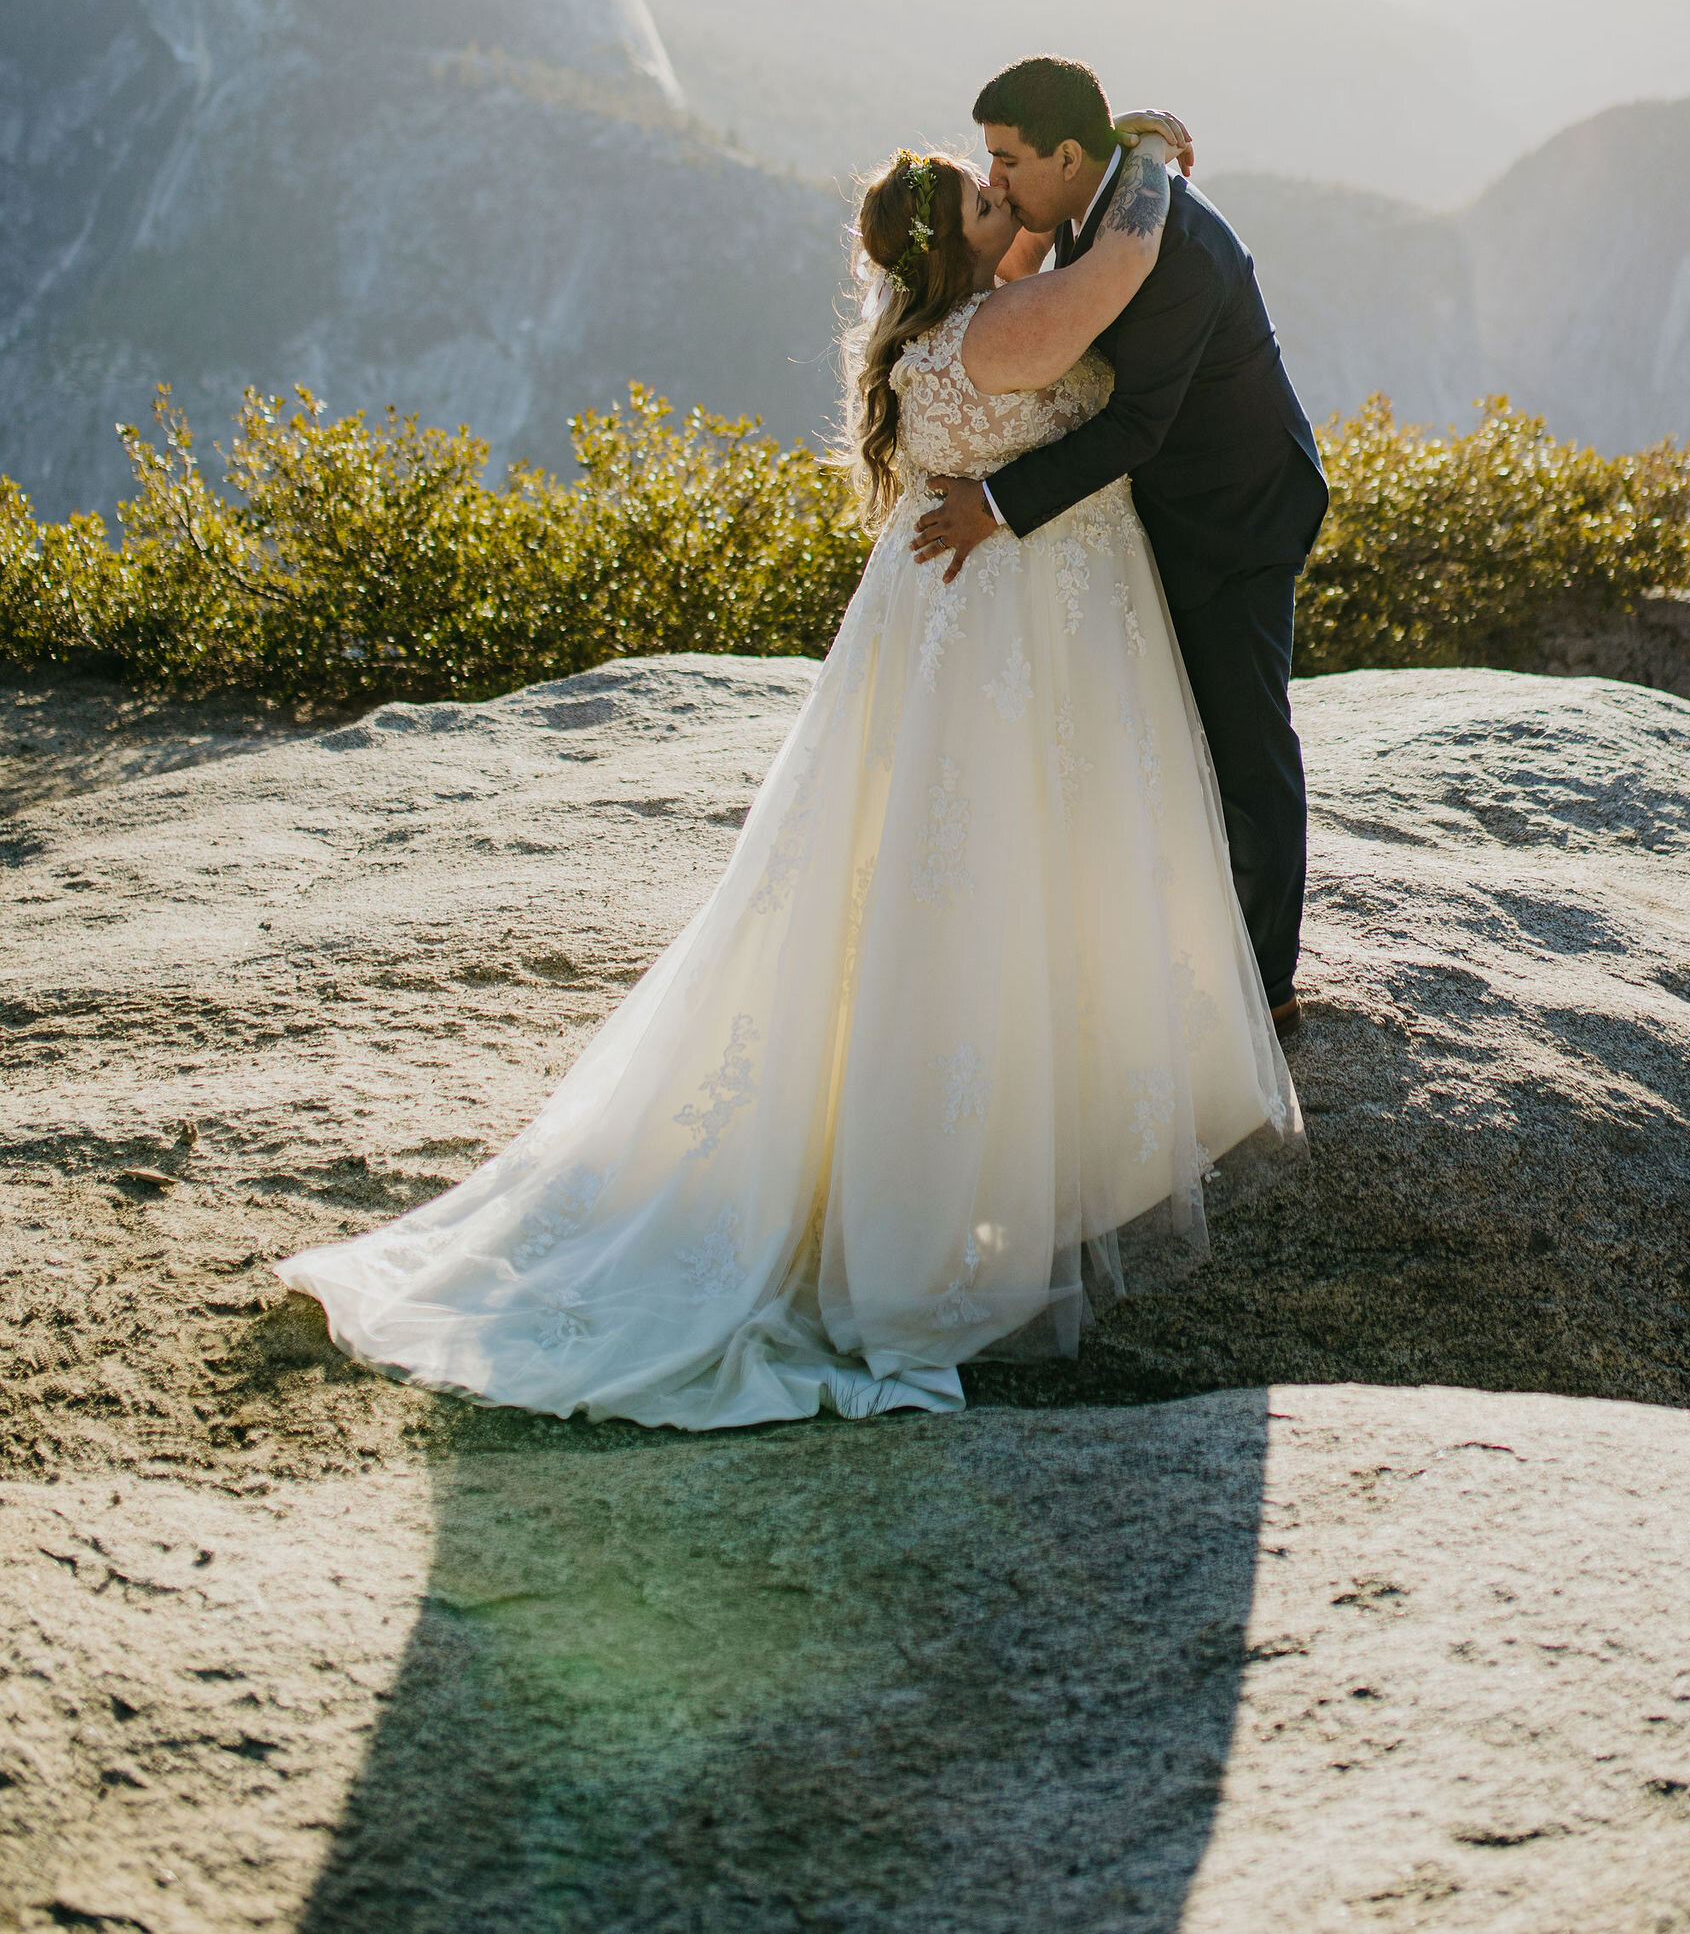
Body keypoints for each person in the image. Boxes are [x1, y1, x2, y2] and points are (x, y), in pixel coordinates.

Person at [277, 121, 1301, 1432]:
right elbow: (1102, 290)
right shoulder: (998, 338)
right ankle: (959, 1190)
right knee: (998, 878)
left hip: (983, 628)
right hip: (1019, 633)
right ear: (961, 246)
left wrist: (1049, 203)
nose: (1008, 195)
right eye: (989, 193)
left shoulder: (948, 332)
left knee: (964, 882)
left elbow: (1039, 261)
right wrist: (1141, 162)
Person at [914, 54, 1330, 1032]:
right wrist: (1144, 136)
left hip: (1236, 512)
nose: (995, 182)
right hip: (1158, 510)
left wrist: (996, 503)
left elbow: (1137, 425)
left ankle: (1267, 987)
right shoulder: (1083, 201)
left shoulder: (1173, 250)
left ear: (1066, 155)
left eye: (1006, 160)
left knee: (1244, 740)